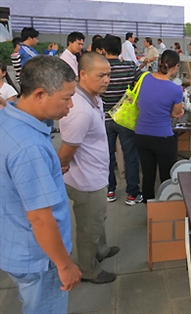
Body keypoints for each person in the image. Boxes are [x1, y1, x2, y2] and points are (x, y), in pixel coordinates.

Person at [0, 55, 82, 313]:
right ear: (39, 94)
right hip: (39, 258)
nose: (70, 106)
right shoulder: (29, 148)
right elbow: (39, 217)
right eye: (66, 98)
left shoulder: (9, 117)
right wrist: (64, 264)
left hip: (15, 241)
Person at [58, 52, 119, 284]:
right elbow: (66, 150)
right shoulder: (79, 110)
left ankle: (100, 250)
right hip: (86, 180)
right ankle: (87, 269)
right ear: (82, 74)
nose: (106, 80)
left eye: (108, 75)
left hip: (97, 174)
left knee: (98, 218)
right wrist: (63, 168)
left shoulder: (93, 97)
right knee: (88, 227)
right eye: (101, 75)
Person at [135, 50, 184, 203]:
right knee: (166, 176)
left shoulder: (144, 78)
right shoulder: (175, 89)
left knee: (148, 175)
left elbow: (139, 102)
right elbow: (176, 113)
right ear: (175, 67)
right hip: (163, 137)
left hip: (141, 134)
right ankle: (165, 208)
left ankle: (148, 211)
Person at [101, 35, 143, 205]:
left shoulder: (100, 68)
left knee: (107, 156)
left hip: (104, 118)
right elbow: (142, 81)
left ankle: (110, 190)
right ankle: (132, 194)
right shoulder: (129, 66)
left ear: (103, 50)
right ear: (120, 50)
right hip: (125, 119)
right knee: (130, 156)